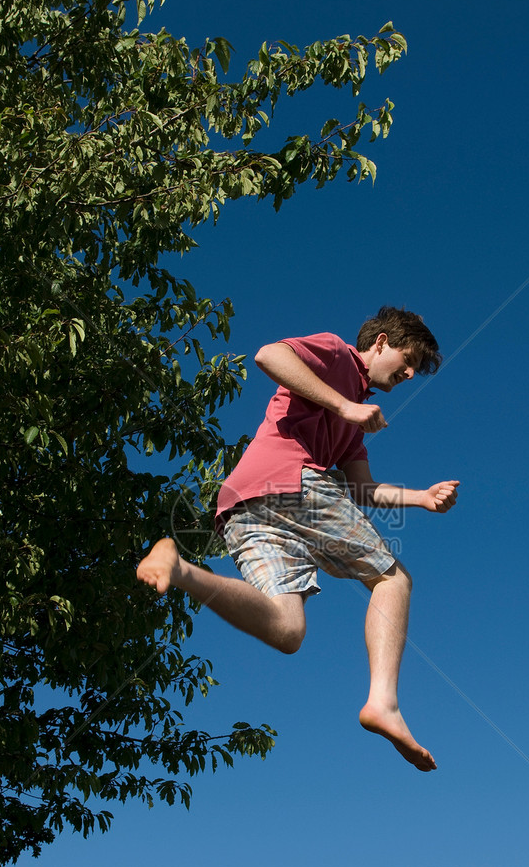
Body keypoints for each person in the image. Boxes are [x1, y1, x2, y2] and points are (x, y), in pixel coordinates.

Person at [136, 307, 459, 772]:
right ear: (382, 341)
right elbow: (269, 355)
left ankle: (182, 570)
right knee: (394, 581)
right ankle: (383, 702)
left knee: (288, 632)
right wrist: (345, 405)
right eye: (407, 361)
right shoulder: (337, 355)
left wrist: (422, 498)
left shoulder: (353, 424)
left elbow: (364, 489)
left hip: (241, 509)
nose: (409, 374)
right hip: (292, 483)